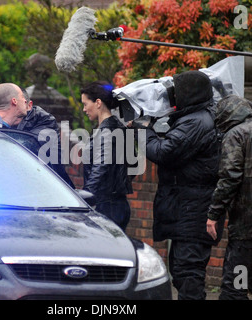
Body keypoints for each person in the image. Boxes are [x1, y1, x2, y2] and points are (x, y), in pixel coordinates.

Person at [143, 70, 223, 300]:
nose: (173, 97)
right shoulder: (199, 117)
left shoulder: (196, 122)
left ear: (189, 94)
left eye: (176, 92)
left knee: (188, 275)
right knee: (181, 272)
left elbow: (164, 151)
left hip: (193, 212)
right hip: (189, 210)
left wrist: (143, 129)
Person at [207, 95, 252, 300]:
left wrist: (214, 213)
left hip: (245, 228)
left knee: (236, 285)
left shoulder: (236, 134)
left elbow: (230, 177)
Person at [80, 81, 133, 231]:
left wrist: (85, 197)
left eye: (85, 104)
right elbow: (132, 166)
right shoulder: (119, 128)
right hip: (117, 204)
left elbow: (100, 167)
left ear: (98, 102)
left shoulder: (107, 131)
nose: (84, 109)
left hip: (106, 206)